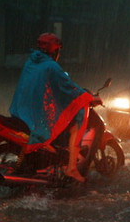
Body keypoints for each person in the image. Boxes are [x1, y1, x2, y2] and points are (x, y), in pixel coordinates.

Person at [9, 32, 94, 183]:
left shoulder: (31, 62)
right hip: (35, 114)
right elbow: (67, 87)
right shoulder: (52, 66)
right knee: (77, 123)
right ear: (55, 50)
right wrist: (89, 97)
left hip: (20, 110)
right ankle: (71, 168)